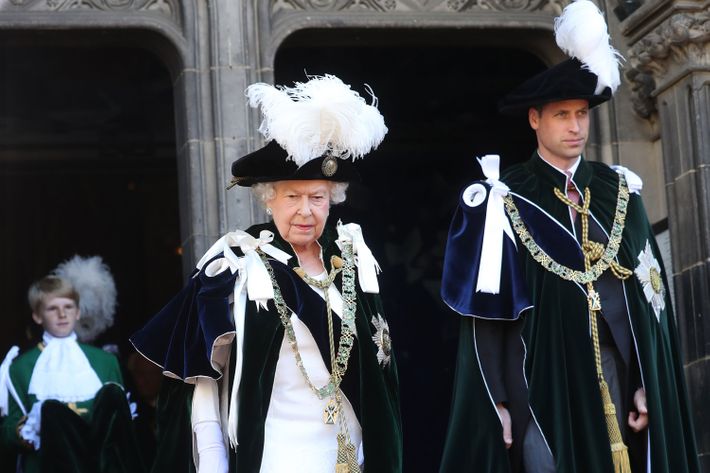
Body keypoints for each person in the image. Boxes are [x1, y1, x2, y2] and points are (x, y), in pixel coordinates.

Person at [439, 1, 699, 472]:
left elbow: (646, 303)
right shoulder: (503, 196)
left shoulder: (618, 188)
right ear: (535, 119)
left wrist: (645, 380)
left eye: (581, 113)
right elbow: (486, 314)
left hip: (616, 377)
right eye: (562, 115)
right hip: (538, 376)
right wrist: (495, 399)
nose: (576, 126)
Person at [131, 74, 402, 473]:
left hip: (349, 454)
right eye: (292, 196)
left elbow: (381, 375)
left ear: (333, 200)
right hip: (276, 456)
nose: (306, 211)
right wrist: (211, 461)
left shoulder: (353, 261)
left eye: (317, 197)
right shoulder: (235, 266)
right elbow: (205, 379)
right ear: (268, 199)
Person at [0, 275, 144, 473]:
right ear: (37, 316)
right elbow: (7, 433)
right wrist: (26, 433)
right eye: (52, 308)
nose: (62, 314)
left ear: (77, 312)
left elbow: (121, 425)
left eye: (68, 306)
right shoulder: (20, 367)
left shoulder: (105, 361)